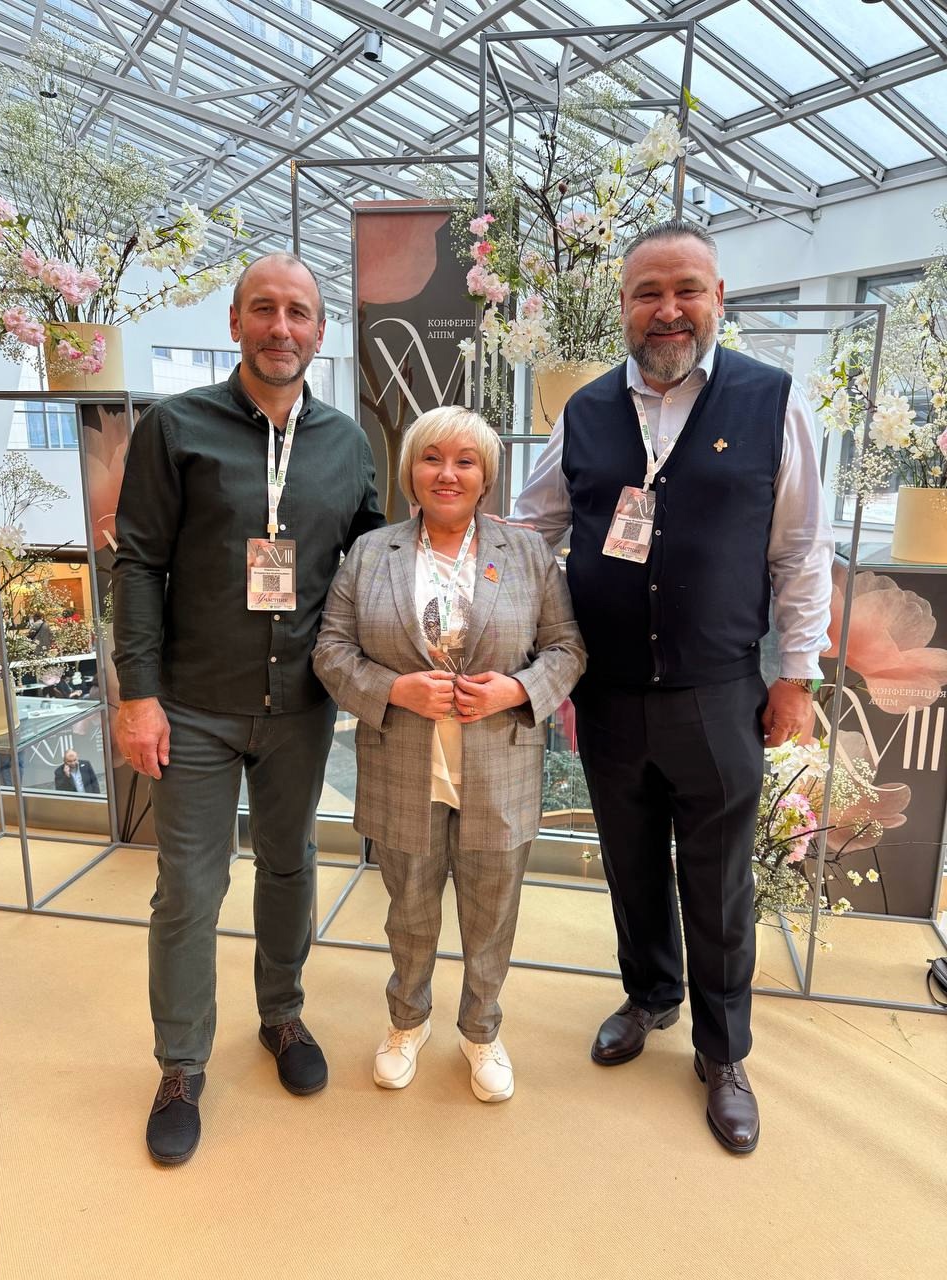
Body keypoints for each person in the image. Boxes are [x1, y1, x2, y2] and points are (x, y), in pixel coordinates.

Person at [512, 219, 833, 1154]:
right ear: (622, 306)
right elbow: (529, 529)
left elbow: (801, 553)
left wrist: (797, 676)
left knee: (719, 878)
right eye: (648, 292)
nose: (668, 309)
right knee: (631, 860)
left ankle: (723, 1051)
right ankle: (650, 994)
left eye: (687, 289)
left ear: (718, 298)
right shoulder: (584, 411)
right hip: (608, 692)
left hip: (718, 691)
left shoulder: (772, 401)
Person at [112, 252, 384, 1165]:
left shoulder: (347, 443)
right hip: (191, 704)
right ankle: (180, 1065)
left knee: (290, 863)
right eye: (263, 309)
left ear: (319, 331)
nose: (281, 327)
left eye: (299, 312)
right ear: (235, 324)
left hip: (300, 705)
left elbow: (373, 567)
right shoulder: (175, 427)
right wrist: (137, 695)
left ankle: (282, 1015)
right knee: (189, 887)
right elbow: (138, 563)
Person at [313, 407, 585, 1103]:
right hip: (403, 763)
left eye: (466, 461)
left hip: (500, 768)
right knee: (408, 909)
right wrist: (394, 688)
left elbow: (567, 649)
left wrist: (515, 691)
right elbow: (331, 651)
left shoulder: (526, 553)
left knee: (491, 913)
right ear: (410, 471)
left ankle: (481, 1030)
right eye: (431, 458)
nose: (448, 473)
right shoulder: (371, 553)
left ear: (486, 476)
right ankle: (407, 1021)